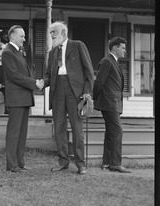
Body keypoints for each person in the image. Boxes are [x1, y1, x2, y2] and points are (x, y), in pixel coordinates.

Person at [42, 21, 94, 175]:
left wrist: (87, 92)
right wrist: (41, 83)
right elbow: (48, 76)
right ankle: (63, 162)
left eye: (54, 34)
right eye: (51, 34)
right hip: (57, 90)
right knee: (59, 128)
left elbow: (89, 72)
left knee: (77, 128)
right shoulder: (52, 53)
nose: (52, 37)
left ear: (63, 34)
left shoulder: (77, 45)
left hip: (75, 92)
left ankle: (80, 164)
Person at [2, 25, 42, 172]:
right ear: (12, 36)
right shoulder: (7, 52)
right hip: (16, 98)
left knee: (22, 133)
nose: (24, 39)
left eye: (24, 36)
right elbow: (14, 76)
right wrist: (34, 83)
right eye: (21, 36)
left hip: (24, 97)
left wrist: (34, 83)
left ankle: (20, 162)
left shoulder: (18, 52)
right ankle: (11, 164)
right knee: (14, 132)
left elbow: (24, 73)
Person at [93, 37, 131, 173]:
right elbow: (99, 83)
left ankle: (106, 162)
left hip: (114, 103)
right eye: (123, 47)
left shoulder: (114, 62)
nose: (125, 50)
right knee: (117, 131)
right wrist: (94, 99)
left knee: (111, 132)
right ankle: (115, 163)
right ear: (115, 47)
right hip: (109, 103)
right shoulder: (106, 61)